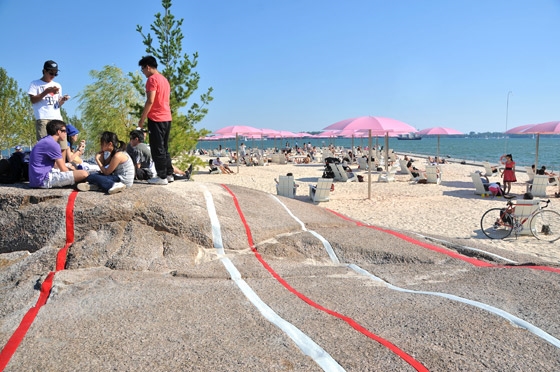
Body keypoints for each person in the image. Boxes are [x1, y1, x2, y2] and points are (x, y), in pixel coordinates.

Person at [138, 55, 173, 185]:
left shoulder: (152, 80)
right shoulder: (164, 79)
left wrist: (142, 119)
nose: (143, 73)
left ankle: (161, 176)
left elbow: (150, 100)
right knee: (164, 147)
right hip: (167, 117)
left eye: (143, 70)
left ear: (148, 67)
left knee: (157, 147)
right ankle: (169, 174)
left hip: (156, 118)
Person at [28, 120, 88, 189]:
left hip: (36, 179)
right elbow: (63, 170)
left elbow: (55, 165)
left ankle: (82, 183)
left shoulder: (45, 141)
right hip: (44, 180)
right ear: (59, 132)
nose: (66, 133)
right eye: (64, 131)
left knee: (73, 167)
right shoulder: (53, 144)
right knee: (84, 174)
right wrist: (74, 173)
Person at [28, 60, 70, 148]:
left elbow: (57, 104)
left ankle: (62, 161)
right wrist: (46, 91)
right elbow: (33, 100)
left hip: (57, 117)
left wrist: (63, 100)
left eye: (55, 74)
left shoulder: (57, 85)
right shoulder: (35, 84)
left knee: (62, 145)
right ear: (44, 71)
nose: (53, 76)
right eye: (51, 73)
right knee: (45, 145)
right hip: (43, 118)